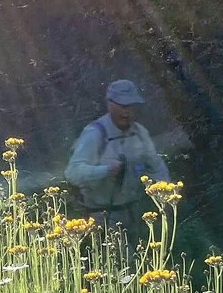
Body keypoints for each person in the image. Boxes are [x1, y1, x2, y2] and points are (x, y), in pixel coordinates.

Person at [64, 79, 170, 250]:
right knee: (119, 267)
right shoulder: (95, 133)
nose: (127, 112)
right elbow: (72, 173)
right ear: (110, 104)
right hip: (102, 216)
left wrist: (166, 193)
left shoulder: (140, 133)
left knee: (140, 262)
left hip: (136, 213)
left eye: (131, 106)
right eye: (122, 106)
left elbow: (156, 165)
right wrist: (105, 171)